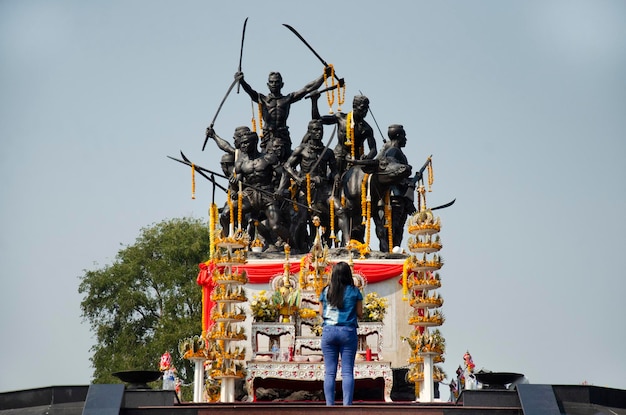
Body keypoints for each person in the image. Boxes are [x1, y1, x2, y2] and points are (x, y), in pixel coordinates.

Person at [235, 68, 331, 160]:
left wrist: (324, 76)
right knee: (265, 160)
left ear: (282, 84)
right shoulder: (263, 99)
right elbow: (250, 91)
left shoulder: (287, 99)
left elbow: (307, 88)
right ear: (268, 85)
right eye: (271, 82)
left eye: (277, 82)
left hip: (283, 135)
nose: (274, 84)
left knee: (287, 159)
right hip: (268, 136)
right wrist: (242, 81)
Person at [281, 119, 338, 251]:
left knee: (336, 211)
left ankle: (332, 245)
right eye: (316, 130)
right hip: (305, 189)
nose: (319, 133)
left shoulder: (328, 152)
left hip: (323, 190)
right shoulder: (301, 149)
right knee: (300, 219)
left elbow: (334, 170)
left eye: (321, 130)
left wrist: (336, 176)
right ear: (310, 132)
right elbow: (287, 165)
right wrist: (296, 177)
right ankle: (293, 247)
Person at [319, 261, 363, 406]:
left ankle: (329, 406)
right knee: (347, 372)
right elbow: (360, 313)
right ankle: (346, 407)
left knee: (330, 373)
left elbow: (321, 312)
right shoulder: (355, 291)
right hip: (347, 332)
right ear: (348, 275)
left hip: (329, 332)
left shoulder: (326, 291)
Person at [312, 94, 377, 178]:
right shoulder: (341, 118)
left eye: (366, 109)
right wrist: (314, 101)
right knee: (331, 177)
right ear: (354, 106)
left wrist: (367, 158)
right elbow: (317, 119)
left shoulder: (367, 129)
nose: (364, 111)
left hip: (355, 160)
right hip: (338, 157)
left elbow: (373, 149)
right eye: (362, 108)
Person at [375, 124, 416, 252]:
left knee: (397, 228)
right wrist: (409, 181)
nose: (406, 139)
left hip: (399, 195)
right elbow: (394, 174)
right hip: (395, 196)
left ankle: (394, 250)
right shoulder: (393, 152)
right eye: (404, 136)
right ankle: (390, 251)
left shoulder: (396, 152)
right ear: (398, 136)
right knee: (393, 228)